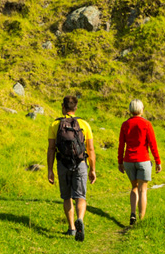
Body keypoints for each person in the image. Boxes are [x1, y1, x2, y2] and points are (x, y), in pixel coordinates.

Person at [47, 95, 97, 242]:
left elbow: (51, 149)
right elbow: (91, 149)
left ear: (63, 107)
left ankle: (71, 229)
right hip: (80, 163)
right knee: (80, 196)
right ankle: (80, 219)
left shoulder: (55, 125)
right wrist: (92, 169)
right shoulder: (85, 124)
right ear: (75, 108)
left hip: (63, 164)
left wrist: (50, 170)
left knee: (67, 196)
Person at [118, 99, 162, 225]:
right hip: (143, 159)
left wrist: (120, 161)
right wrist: (158, 161)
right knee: (143, 190)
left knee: (134, 187)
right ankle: (141, 219)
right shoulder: (147, 124)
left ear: (130, 109)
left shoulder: (125, 124)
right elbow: (153, 144)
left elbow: (121, 145)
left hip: (129, 160)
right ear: (142, 109)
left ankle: (132, 213)